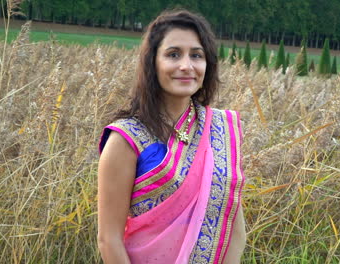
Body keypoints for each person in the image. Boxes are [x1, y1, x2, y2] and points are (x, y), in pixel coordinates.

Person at [97, 9, 246, 264]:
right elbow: (108, 238)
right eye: (173, 54)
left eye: (196, 55)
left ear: (207, 64)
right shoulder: (127, 139)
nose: (186, 66)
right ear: (152, 63)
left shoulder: (220, 130)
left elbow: (235, 230)